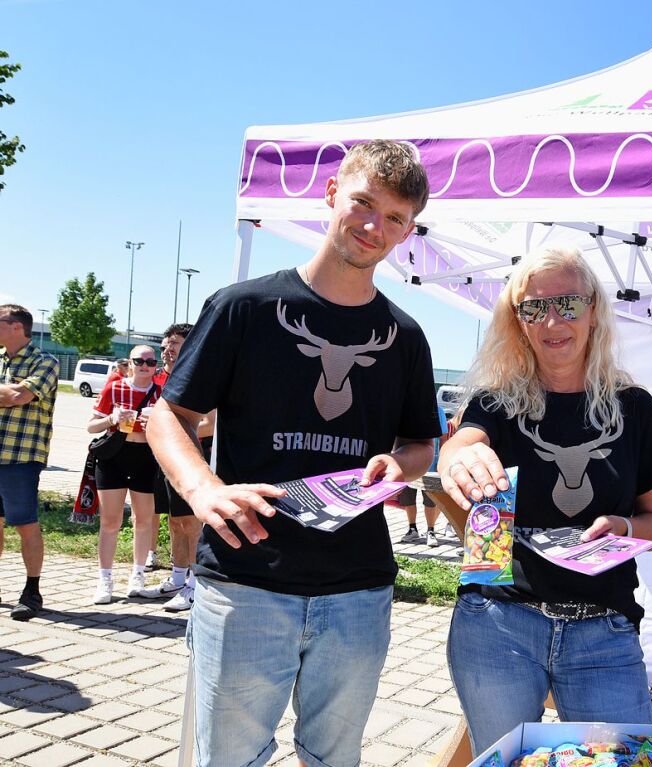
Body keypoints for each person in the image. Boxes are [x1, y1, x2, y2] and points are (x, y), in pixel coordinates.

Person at [147, 139, 436, 767]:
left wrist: (400, 466)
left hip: (358, 590)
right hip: (247, 580)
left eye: (394, 218)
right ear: (331, 194)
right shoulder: (244, 307)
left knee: (334, 759)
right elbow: (168, 414)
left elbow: (420, 442)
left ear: (408, 230)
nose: (373, 226)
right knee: (229, 758)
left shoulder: (405, 337)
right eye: (363, 203)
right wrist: (204, 489)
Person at [438, 245, 652, 756]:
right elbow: (465, 443)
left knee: (625, 759)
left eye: (567, 304)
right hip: (498, 620)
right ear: (517, 320)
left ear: (593, 311)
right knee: (500, 759)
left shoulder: (633, 408)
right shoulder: (496, 400)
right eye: (533, 308)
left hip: (603, 628)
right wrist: (457, 453)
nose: (552, 320)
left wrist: (626, 528)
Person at [138, 323, 210, 612]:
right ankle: (178, 577)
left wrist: (166, 430)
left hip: (192, 458)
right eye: (165, 344)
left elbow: (211, 422)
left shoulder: (202, 376)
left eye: (174, 344)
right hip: (169, 458)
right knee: (175, 520)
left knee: (191, 524)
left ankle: (195, 586)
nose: (166, 350)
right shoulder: (169, 379)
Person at [86, 345, 162, 604]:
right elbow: (91, 426)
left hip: (145, 459)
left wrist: (154, 424)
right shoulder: (114, 387)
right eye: (139, 360)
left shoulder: (162, 393)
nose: (144, 365)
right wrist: (112, 418)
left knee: (144, 521)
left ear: (156, 365)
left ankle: (137, 576)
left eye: (150, 361)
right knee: (110, 521)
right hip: (114, 458)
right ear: (130, 363)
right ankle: (104, 580)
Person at [0, 305, 59, 621]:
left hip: (20, 456)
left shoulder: (44, 362)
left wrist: (13, 393)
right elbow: (9, 394)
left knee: (24, 523)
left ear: (16, 327)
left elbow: (20, 397)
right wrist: (7, 392)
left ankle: (31, 590)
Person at [398, 404, 451, 547]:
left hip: (431, 463)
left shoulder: (437, 410)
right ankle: (412, 528)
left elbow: (443, 438)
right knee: (408, 497)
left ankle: (431, 530)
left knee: (430, 499)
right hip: (406, 461)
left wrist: (443, 461)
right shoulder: (404, 407)